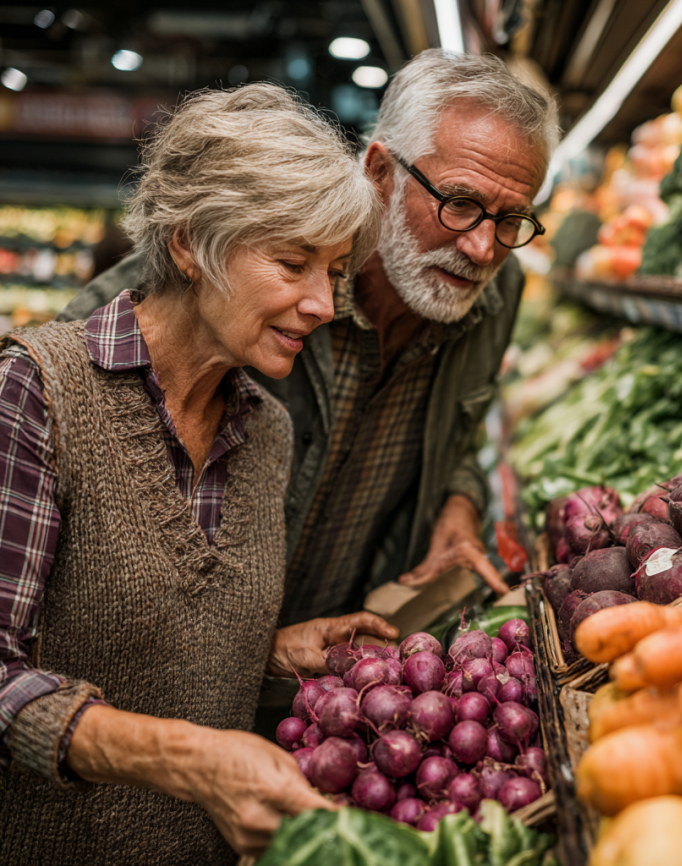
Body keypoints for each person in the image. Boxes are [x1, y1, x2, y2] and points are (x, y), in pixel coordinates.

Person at [0, 83, 397, 865]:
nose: (323, 303)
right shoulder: (38, 393)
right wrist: (188, 760)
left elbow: (140, 642)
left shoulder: (267, 430)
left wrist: (274, 650)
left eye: (337, 272)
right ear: (189, 243)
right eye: (293, 263)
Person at [60, 50, 558, 630]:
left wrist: (460, 502)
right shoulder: (237, 269)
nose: (483, 248)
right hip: (165, 666)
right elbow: (66, 389)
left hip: (334, 667)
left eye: (510, 219)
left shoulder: (495, 295)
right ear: (379, 173)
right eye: (461, 204)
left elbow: (460, 430)